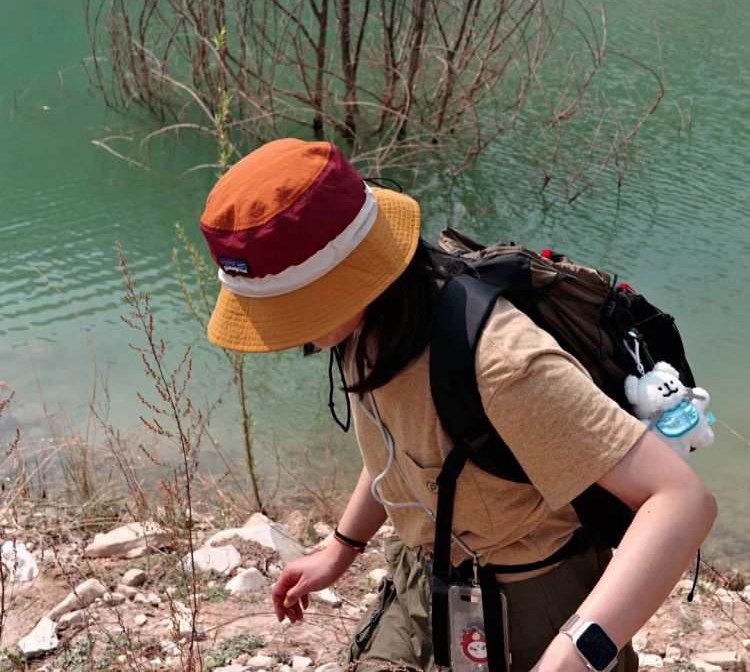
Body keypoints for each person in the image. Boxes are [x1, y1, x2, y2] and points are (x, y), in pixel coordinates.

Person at [198, 138, 717, 672]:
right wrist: (340, 548)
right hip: (423, 580)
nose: (287, 333)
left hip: (539, 607)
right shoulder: (363, 325)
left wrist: (571, 657)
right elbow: (402, 446)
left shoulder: (504, 363)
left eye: (292, 308)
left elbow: (681, 501)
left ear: (348, 278)